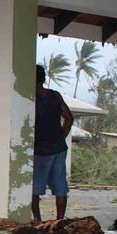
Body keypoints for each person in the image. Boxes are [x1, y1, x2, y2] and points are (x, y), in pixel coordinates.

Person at [32, 65, 74, 223]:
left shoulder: (30, 98)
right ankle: (59, 222)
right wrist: (60, 137)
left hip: (40, 149)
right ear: (43, 78)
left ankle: (37, 221)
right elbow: (69, 118)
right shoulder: (55, 96)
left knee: (34, 188)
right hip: (58, 148)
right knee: (60, 186)